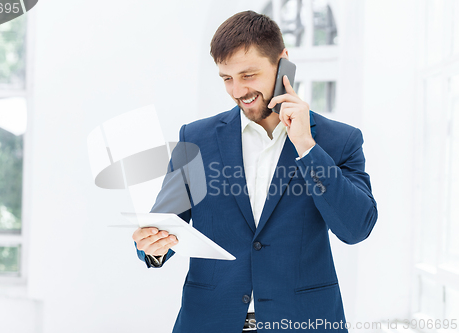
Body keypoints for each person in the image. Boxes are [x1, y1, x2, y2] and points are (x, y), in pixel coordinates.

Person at [132, 10, 377, 333]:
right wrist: (151, 247)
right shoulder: (197, 138)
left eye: (248, 75)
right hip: (209, 322)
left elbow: (356, 228)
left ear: (283, 62)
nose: (237, 91)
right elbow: (166, 221)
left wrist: (306, 146)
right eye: (226, 78)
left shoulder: (339, 140)